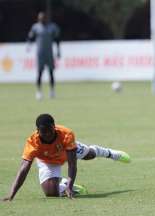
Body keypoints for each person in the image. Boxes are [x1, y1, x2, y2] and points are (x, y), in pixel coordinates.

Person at [2, 113, 131, 201]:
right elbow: (24, 169)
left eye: (50, 131)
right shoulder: (32, 142)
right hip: (47, 160)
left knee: (89, 155)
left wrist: (69, 186)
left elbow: (72, 164)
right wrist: (12, 194)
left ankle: (110, 153)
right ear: (37, 131)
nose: (47, 135)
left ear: (54, 127)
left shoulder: (66, 134)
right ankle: (68, 186)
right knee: (51, 193)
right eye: (43, 133)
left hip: (65, 150)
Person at [27, 12, 61, 100]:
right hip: (40, 54)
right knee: (40, 73)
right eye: (40, 18)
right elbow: (31, 37)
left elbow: (57, 39)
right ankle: (39, 92)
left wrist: (58, 51)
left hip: (49, 53)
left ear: (46, 18)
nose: (41, 19)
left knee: (51, 72)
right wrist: (28, 45)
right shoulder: (35, 27)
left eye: (43, 18)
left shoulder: (52, 27)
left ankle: (52, 91)